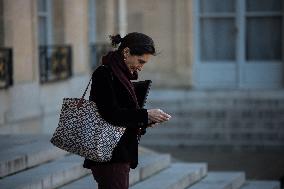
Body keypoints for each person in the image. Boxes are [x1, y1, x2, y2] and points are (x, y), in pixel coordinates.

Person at [83, 32, 171, 189]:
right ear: (126, 52)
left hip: (118, 154)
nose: (141, 67)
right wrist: (145, 115)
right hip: (110, 155)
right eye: (140, 61)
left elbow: (122, 115)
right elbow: (110, 114)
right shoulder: (105, 73)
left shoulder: (121, 75)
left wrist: (145, 121)